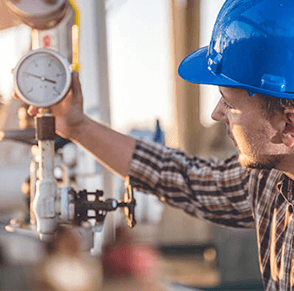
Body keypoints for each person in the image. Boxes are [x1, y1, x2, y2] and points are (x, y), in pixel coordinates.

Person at [16, 0, 294, 290]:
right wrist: (77, 127)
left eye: (230, 103)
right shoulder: (271, 178)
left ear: (288, 125)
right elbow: (185, 178)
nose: (217, 112)